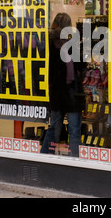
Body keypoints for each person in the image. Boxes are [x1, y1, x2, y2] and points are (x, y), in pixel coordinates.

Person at [40, 13, 82, 157]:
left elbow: (49, 67)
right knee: (74, 130)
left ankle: (45, 156)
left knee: (54, 128)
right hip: (71, 91)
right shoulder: (72, 42)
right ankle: (74, 161)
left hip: (57, 91)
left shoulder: (49, 43)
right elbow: (80, 65)